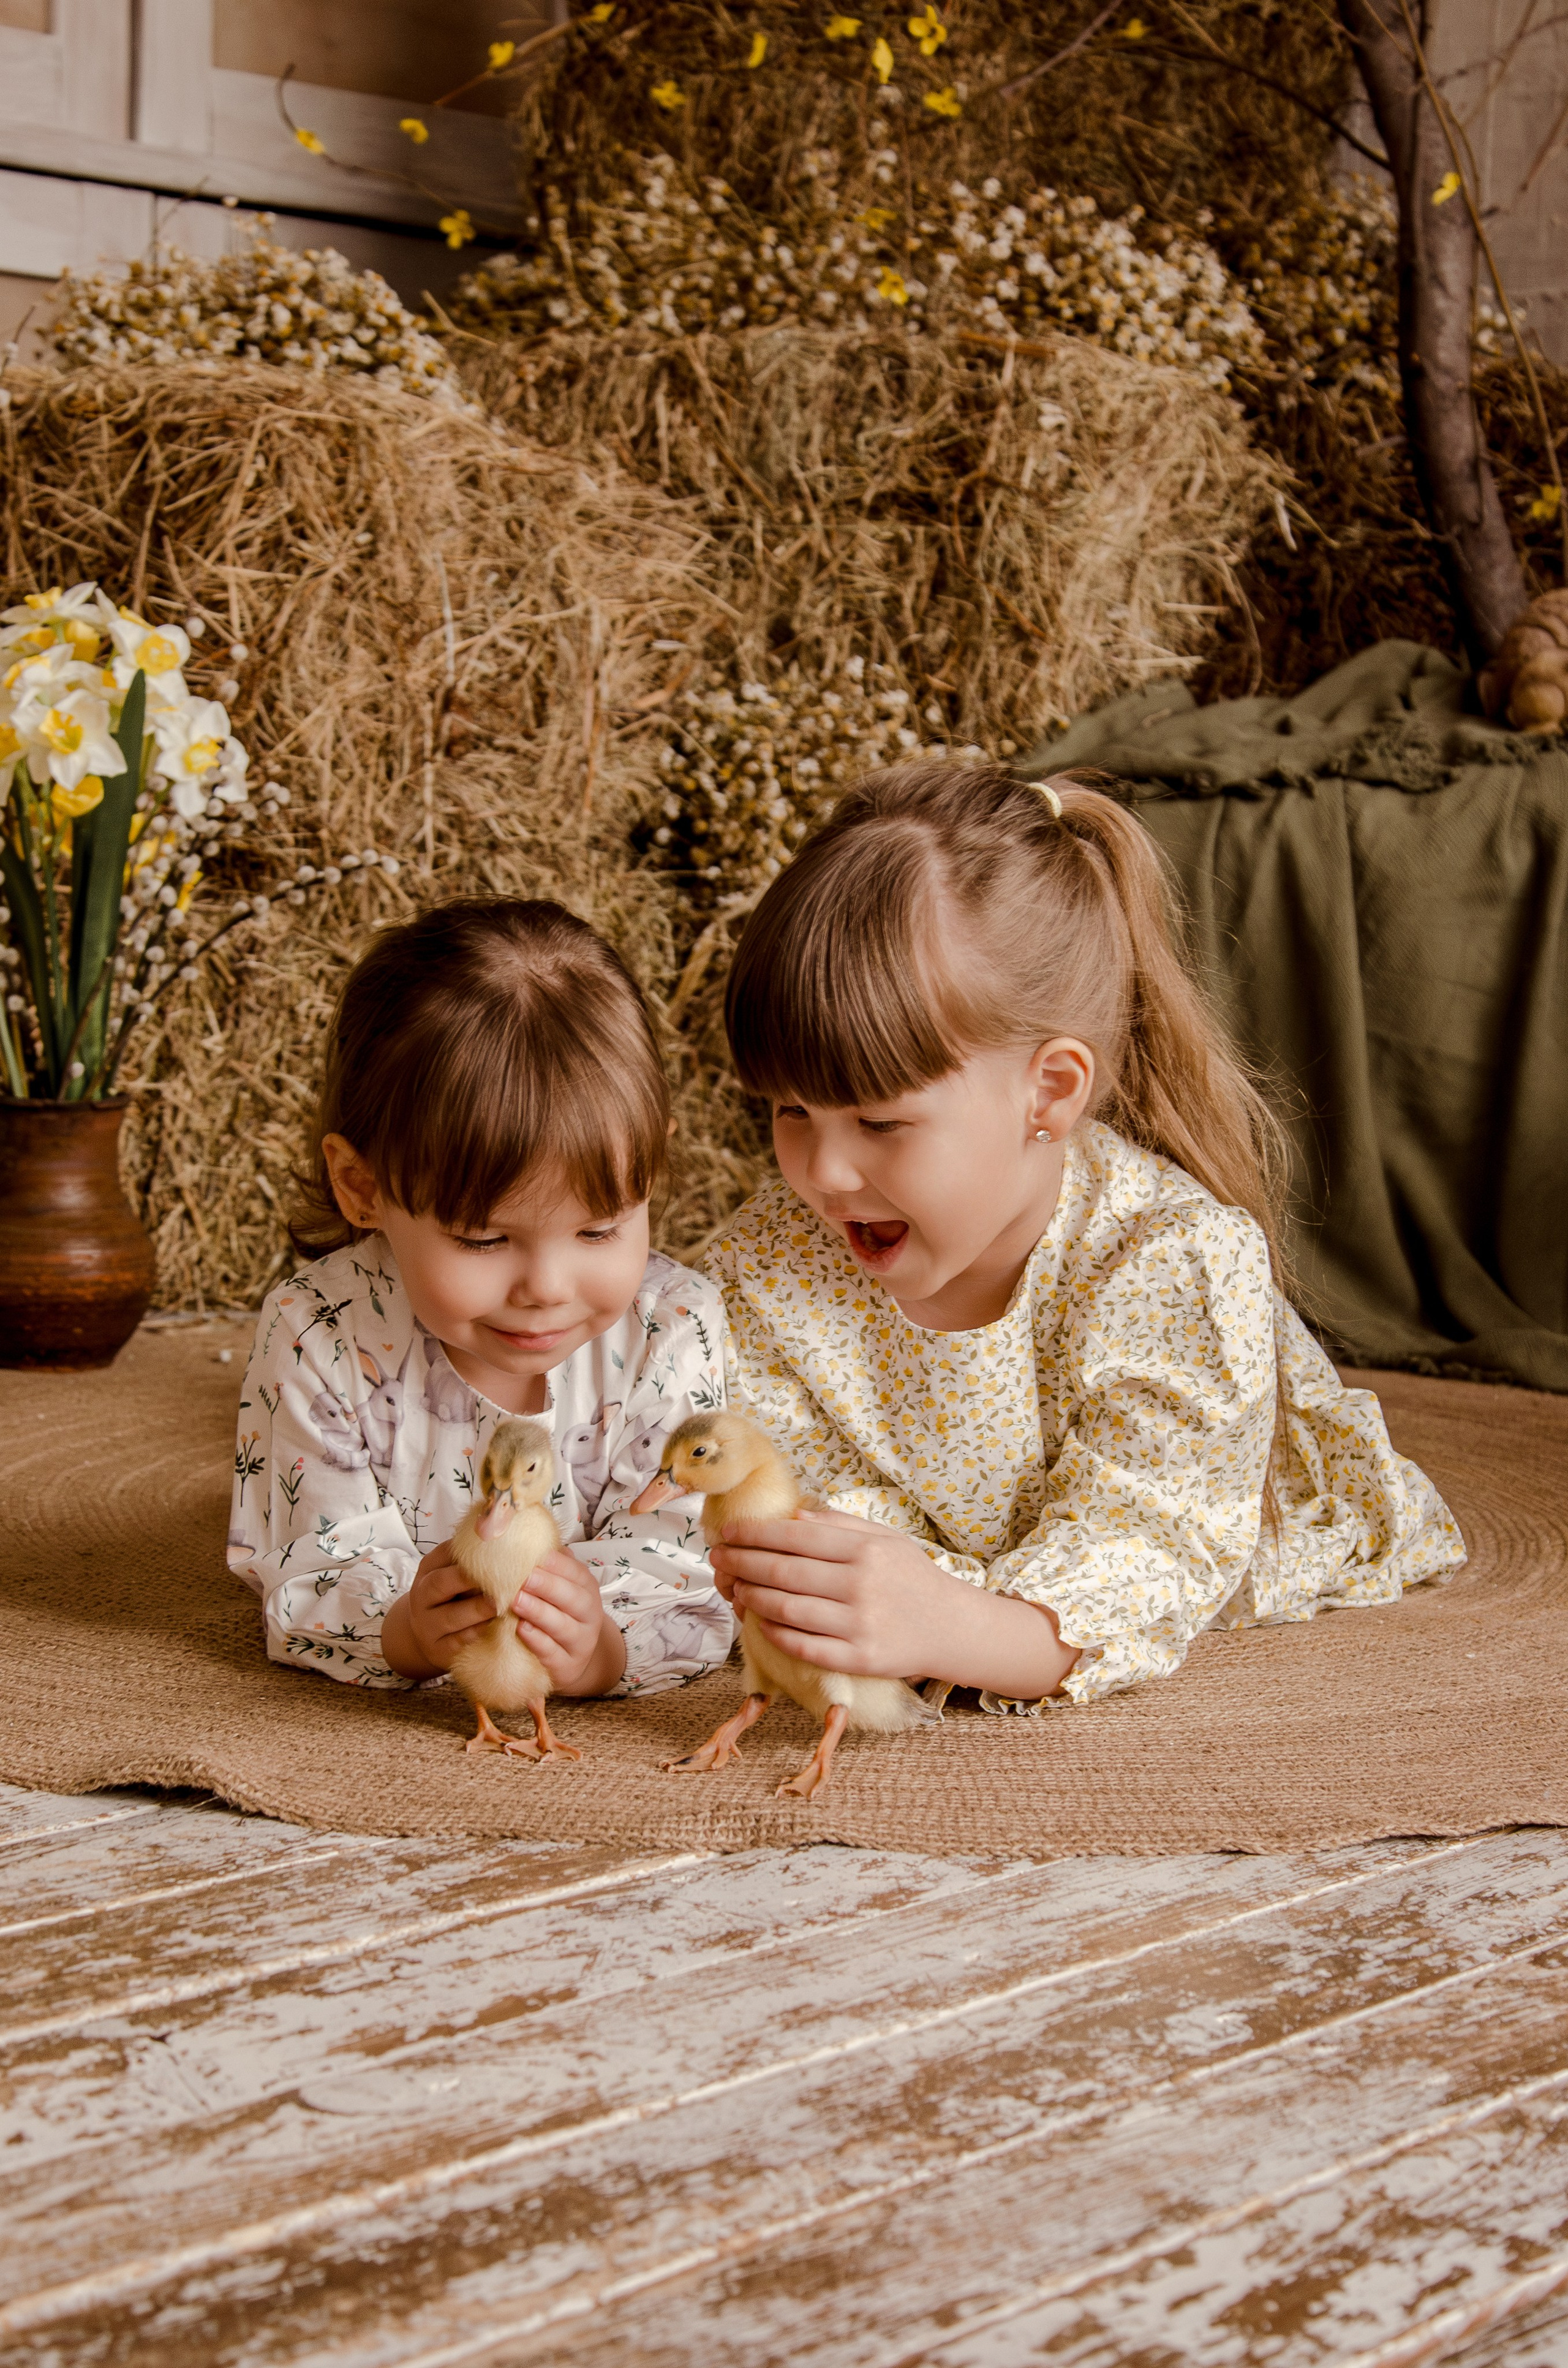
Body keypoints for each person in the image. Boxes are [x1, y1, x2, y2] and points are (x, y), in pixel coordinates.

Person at [703, 762, 1465, 1711]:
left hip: (1187, 1519)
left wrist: (956, 1622)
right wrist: (863, 1586)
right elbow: (795, 1507)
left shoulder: (1171, 1262)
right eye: (788, 1110)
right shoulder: (767, 1268)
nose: (822, 1171)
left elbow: (1146, 1547)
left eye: (880, 1122)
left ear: (1050, 1092)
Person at [228, 898, 733, 1699]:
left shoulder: (672, 1329)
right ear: (362, 1187)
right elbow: (309, 1567)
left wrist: (600, 1647)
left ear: (651, 1169)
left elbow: (687, 1561)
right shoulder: (316, 1333)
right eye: (485, 1239)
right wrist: (403, 1629)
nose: (547, 1289)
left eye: (599, 1229)